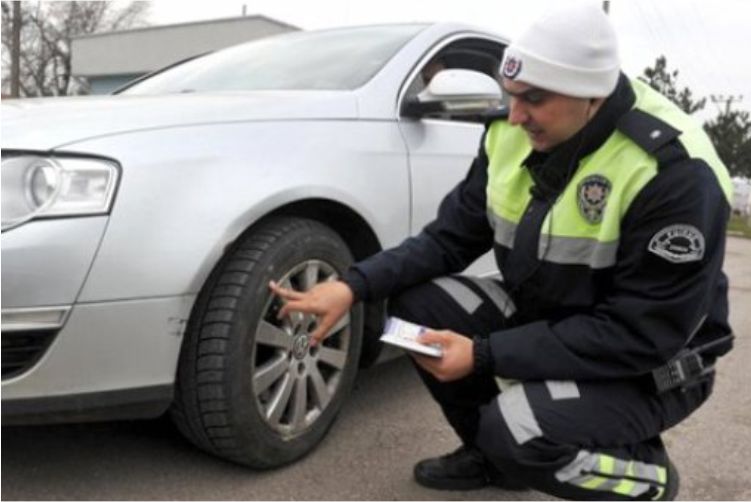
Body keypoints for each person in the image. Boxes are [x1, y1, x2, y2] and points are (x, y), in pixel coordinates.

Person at [270, 3, 734, 500]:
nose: (516, 116)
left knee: (520, 430)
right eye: (511, 95)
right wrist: (350, 286)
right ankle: (495, 460)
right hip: (556, 318)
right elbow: (447, 239)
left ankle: (645, 475)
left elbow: (642, 333)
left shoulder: (672, 172)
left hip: (649, 363)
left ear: (592, 97)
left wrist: (484, 355)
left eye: (534, 98)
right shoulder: (510, 134)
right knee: (415, 313)